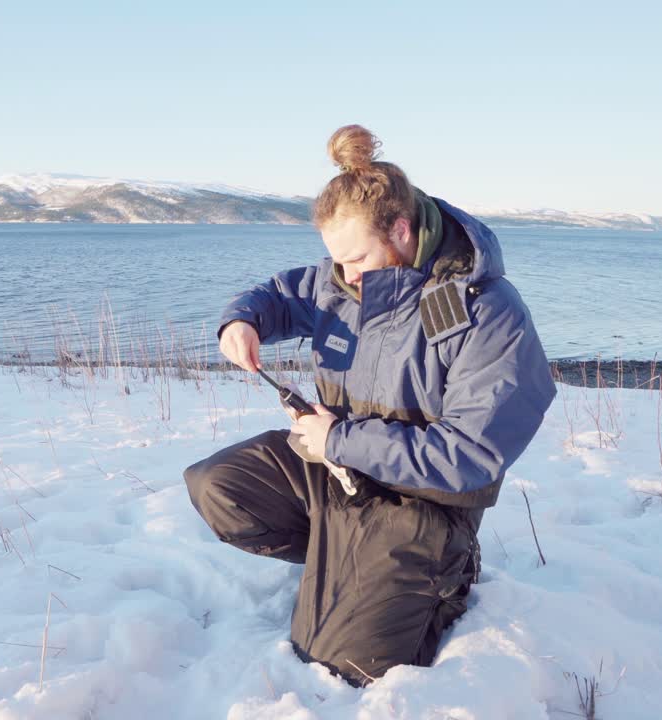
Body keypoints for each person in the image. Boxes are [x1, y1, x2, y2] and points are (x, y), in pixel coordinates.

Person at [183, 125, 556, 686]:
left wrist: (337, 439)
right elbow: (283, 293)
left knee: (339, 664)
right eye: (336, 261)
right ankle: (347, 561)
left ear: (401, 230)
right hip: (335, 471)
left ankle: (444, 575)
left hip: (424, 504)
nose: (346, 275)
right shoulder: (340, 280)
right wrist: (242, 320)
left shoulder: (487, 312)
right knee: (217, 486)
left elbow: (472, 457)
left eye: (355, 258)